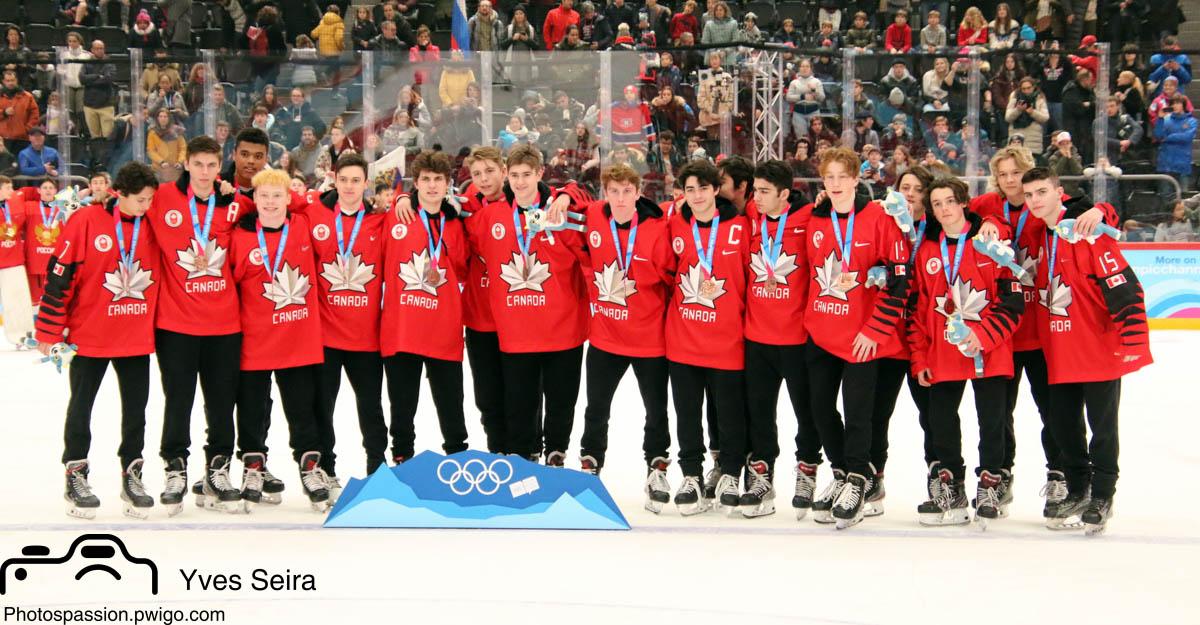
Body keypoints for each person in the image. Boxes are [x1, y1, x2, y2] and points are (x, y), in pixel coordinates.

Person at [1023, 166, 1152, 534]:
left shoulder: (1088, 233)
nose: (1034, 201)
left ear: (1058, 192)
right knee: (1064, 426)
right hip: (1059, 352)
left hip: (1097, 351)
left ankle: (1103, 495)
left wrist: (1132, 341)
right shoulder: (1041, 235)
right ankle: (1079, 490)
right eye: (1029, 195)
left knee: (1102, 429)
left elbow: (1125, 287)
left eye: (1042, 192)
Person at [36, 161, 162, 520]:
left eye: (150, 200)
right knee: (81, 406)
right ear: (119, 194)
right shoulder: (86, 221)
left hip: (135, 337)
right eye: (140, 200)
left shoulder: (152, 224)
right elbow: (59, 276)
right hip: (89, 336)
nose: (147, 206)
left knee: (136, 410)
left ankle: (132, 474)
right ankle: (76, 473)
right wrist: (48, 330)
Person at [802, 147, 910, 529]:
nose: (835, 184)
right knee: (820, 408)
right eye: (828, 177)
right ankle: (842, 472)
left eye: (841, 177)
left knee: (859, 413)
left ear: (855, 179)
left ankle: (859, 480)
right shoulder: (816, 218)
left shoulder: (879, 218)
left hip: (862, 336)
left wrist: (875, 330)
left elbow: (899, 280)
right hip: (821, 331)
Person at [459, 145, 586, 462]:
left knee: (559, 404)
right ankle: (516, 462)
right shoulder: (487, 215)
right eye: (515, 175)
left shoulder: (559, 214)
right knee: (518, 405)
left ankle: (554, 459)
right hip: (514, 332)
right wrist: (405, 199)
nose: (519, 181)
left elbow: (592, 234)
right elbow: (453, 236)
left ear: (540, 174)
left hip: (561, 328)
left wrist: (570, 193)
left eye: (526, 175)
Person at [909, 176, 1023, 527]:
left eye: (949, 201)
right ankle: (951, 489)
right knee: (941, 419)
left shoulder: (990, 244)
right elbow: (919, 309)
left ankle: (990, 485)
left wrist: (983, 336)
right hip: (942, 351)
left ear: (963, 203)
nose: (944, 209)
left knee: (993, 420)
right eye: (937, 204)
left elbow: (1013, 302)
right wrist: (920, 357)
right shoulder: (927, 251)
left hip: (988, 348)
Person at [146, 135, 246, 515]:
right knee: (178, 401)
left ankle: (218, 470)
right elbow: (124, 203)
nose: (205, 172)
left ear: (220, 167)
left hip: (225, 326)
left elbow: (283, 205)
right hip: (176, 325)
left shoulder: (233, 203)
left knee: (221, 403)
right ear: (186, 164)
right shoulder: (162, 198)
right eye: (198, 164)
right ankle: (175, 469)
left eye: (211, 165)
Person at [228, 168, 332, 512]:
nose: (270, 203)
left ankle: (310, 467)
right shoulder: (240, 235)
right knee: (253, 410)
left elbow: (318, 204)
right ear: (254, 200)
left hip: (297, 340)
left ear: (289, 199)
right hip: (255, 340)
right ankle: (253, 466)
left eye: (277, 196)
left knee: (302, 409)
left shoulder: (303, 224)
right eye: (264, 196)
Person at [578, 164, 674, 505]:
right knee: (596, 408)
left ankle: (657, 466)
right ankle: (590, 464)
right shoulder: (593, 216)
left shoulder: (657, 228)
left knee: (656, 410)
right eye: (613, 192)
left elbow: (671, 277)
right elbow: (569, 197)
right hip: (606, 336)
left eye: (626, 192)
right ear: (605, 193)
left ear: (638, 193)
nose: (620, 199)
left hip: (650, 339)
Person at [665, 159, 749, 515]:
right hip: (683, 338)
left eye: (703, 188)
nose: (697, 195)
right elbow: (666, 273)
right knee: (687, 414)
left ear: (716, 189)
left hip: (727, 340)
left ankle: (729, 474)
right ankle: (691, 476)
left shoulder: (741, 227)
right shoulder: (674, 225)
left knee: (729, 414)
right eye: (690, 189)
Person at [379, 150, 470, 467]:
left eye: (438, 180)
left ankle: (458, 458)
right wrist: (400, 197)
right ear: (415, 183)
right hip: (402, 328)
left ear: (447, 184)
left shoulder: (456, 224)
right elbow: (370, 197)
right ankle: (402, 457)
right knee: (402, 404)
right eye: (426, 179)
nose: (432, 186)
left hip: (443, 328)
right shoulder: (396, 216)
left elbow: (462, 268)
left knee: (451, 402)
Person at [302, 152, 388, 488]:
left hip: (366, 336)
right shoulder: (314, 214)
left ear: (366, 183)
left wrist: (403, 197)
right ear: (334, 181)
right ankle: (326, 468)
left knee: (371, 407)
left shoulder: (379, 221)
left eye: (356, 181)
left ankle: (377, 468)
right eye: (344, 180)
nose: (349, 187)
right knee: (322, 407)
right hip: (325, 334)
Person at [740, 160, 818, 519]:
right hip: (757, 338)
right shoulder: (751, 217)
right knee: (759, 413)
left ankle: (807, 472)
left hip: (797, 338)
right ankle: (762, 477)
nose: (756, 197)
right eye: (755, 190)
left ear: (785, 194)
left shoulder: (809, 218)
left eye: (764, 191)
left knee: (807, 413)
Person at [0, 175, 33, 348]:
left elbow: (39, 193)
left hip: (13, 260)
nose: (11, 191)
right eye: (8, 188)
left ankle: (23, 333)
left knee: (20, 300)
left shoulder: (15, 201)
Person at [1153, 94, 1197, 204]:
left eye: (1178, 103)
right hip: (1166, 164)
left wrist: (1168, 138)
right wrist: (1160, 118)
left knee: (1184, 201)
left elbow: (1187, 137)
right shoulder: (1166, 120)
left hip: (1182, 164)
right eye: (1173, 103)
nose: (1175, 106)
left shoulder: (1191, 121)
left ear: (1183, 105)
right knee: (1165, 199)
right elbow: (1158, 135)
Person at [22, 178, 59, 305]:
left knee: (53, 301)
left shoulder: (63, 210)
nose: (48, 190)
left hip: (54, 261)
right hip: (34, 259)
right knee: (34, 300)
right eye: (45, 188)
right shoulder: (29, 207)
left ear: (56, 191)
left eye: (51, 188)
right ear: (38, 190)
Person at [0, 70, 39, 155]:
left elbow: (34, 115)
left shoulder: (27, 96)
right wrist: (4, 113)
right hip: (2, 139)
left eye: (12, 80)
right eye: (8, 81)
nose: (10, 83)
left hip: (22, 139)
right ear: (3, 81)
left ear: (16, 80)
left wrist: (27, 129)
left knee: (21, 162)